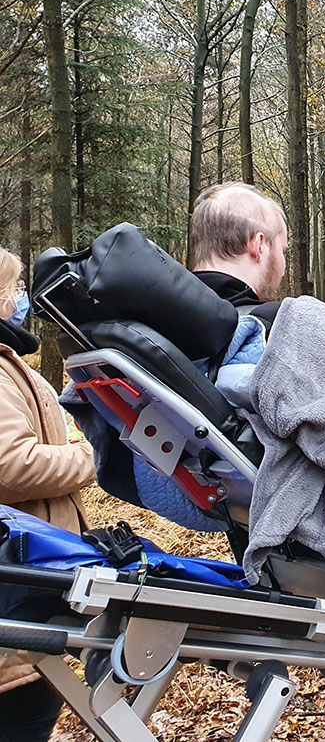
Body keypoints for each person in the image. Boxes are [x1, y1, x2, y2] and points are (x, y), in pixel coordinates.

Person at [0, 245, 95, 741]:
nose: (21, 298)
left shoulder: (9, 363)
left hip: (27, 574)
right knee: (25, 718)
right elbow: (11, 465)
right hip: (14, 582)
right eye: (13, 288)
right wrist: (87, 457)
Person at [190, 182, 288, 331]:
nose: (283, 270)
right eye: (282, 251)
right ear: (258, 245)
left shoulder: (156, 318)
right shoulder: (287, 326)